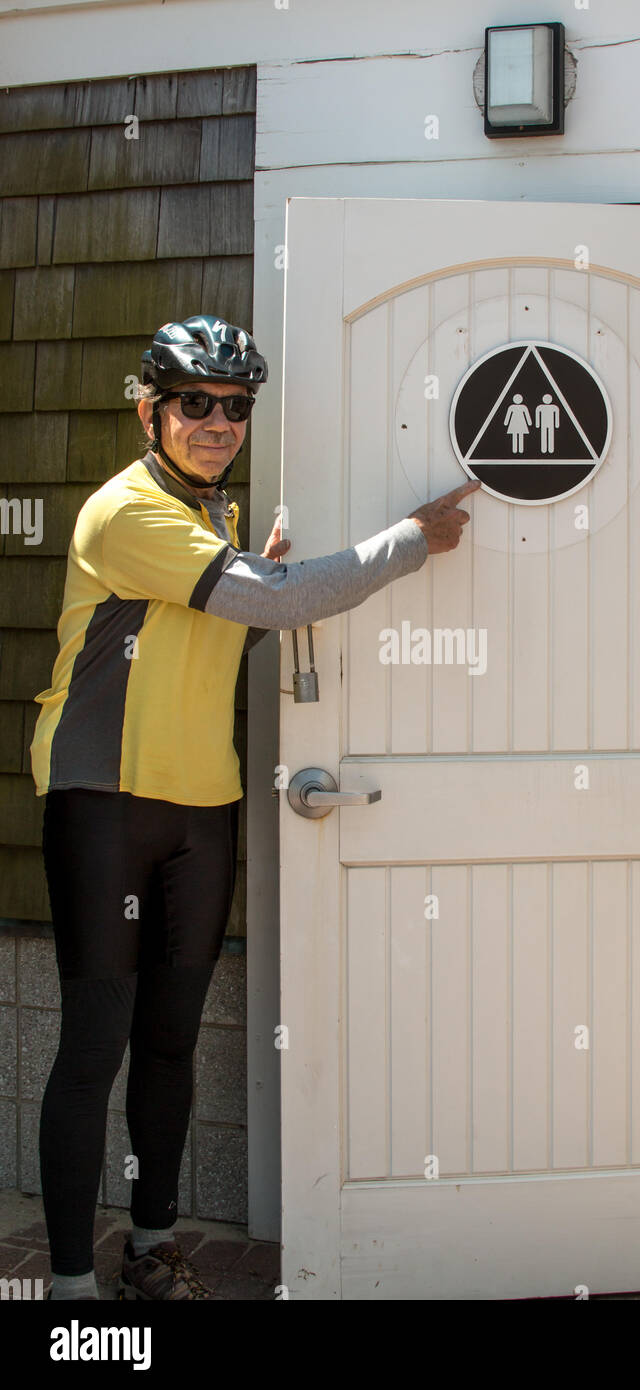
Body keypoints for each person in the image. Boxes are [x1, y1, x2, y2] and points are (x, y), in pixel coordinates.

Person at [29, 314, 480, 1300]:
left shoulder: (207, 518)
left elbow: (227, 625)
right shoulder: (127, 510)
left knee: (170, 1040)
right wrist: (410, 540)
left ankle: (149, 1249)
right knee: (96, 1042)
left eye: (234, 407)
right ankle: (66, 1288)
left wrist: (261, 577)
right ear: (150, 408)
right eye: (196, 403)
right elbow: (273, 606)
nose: (218, 422)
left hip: (202, 804)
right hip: (105, 801)